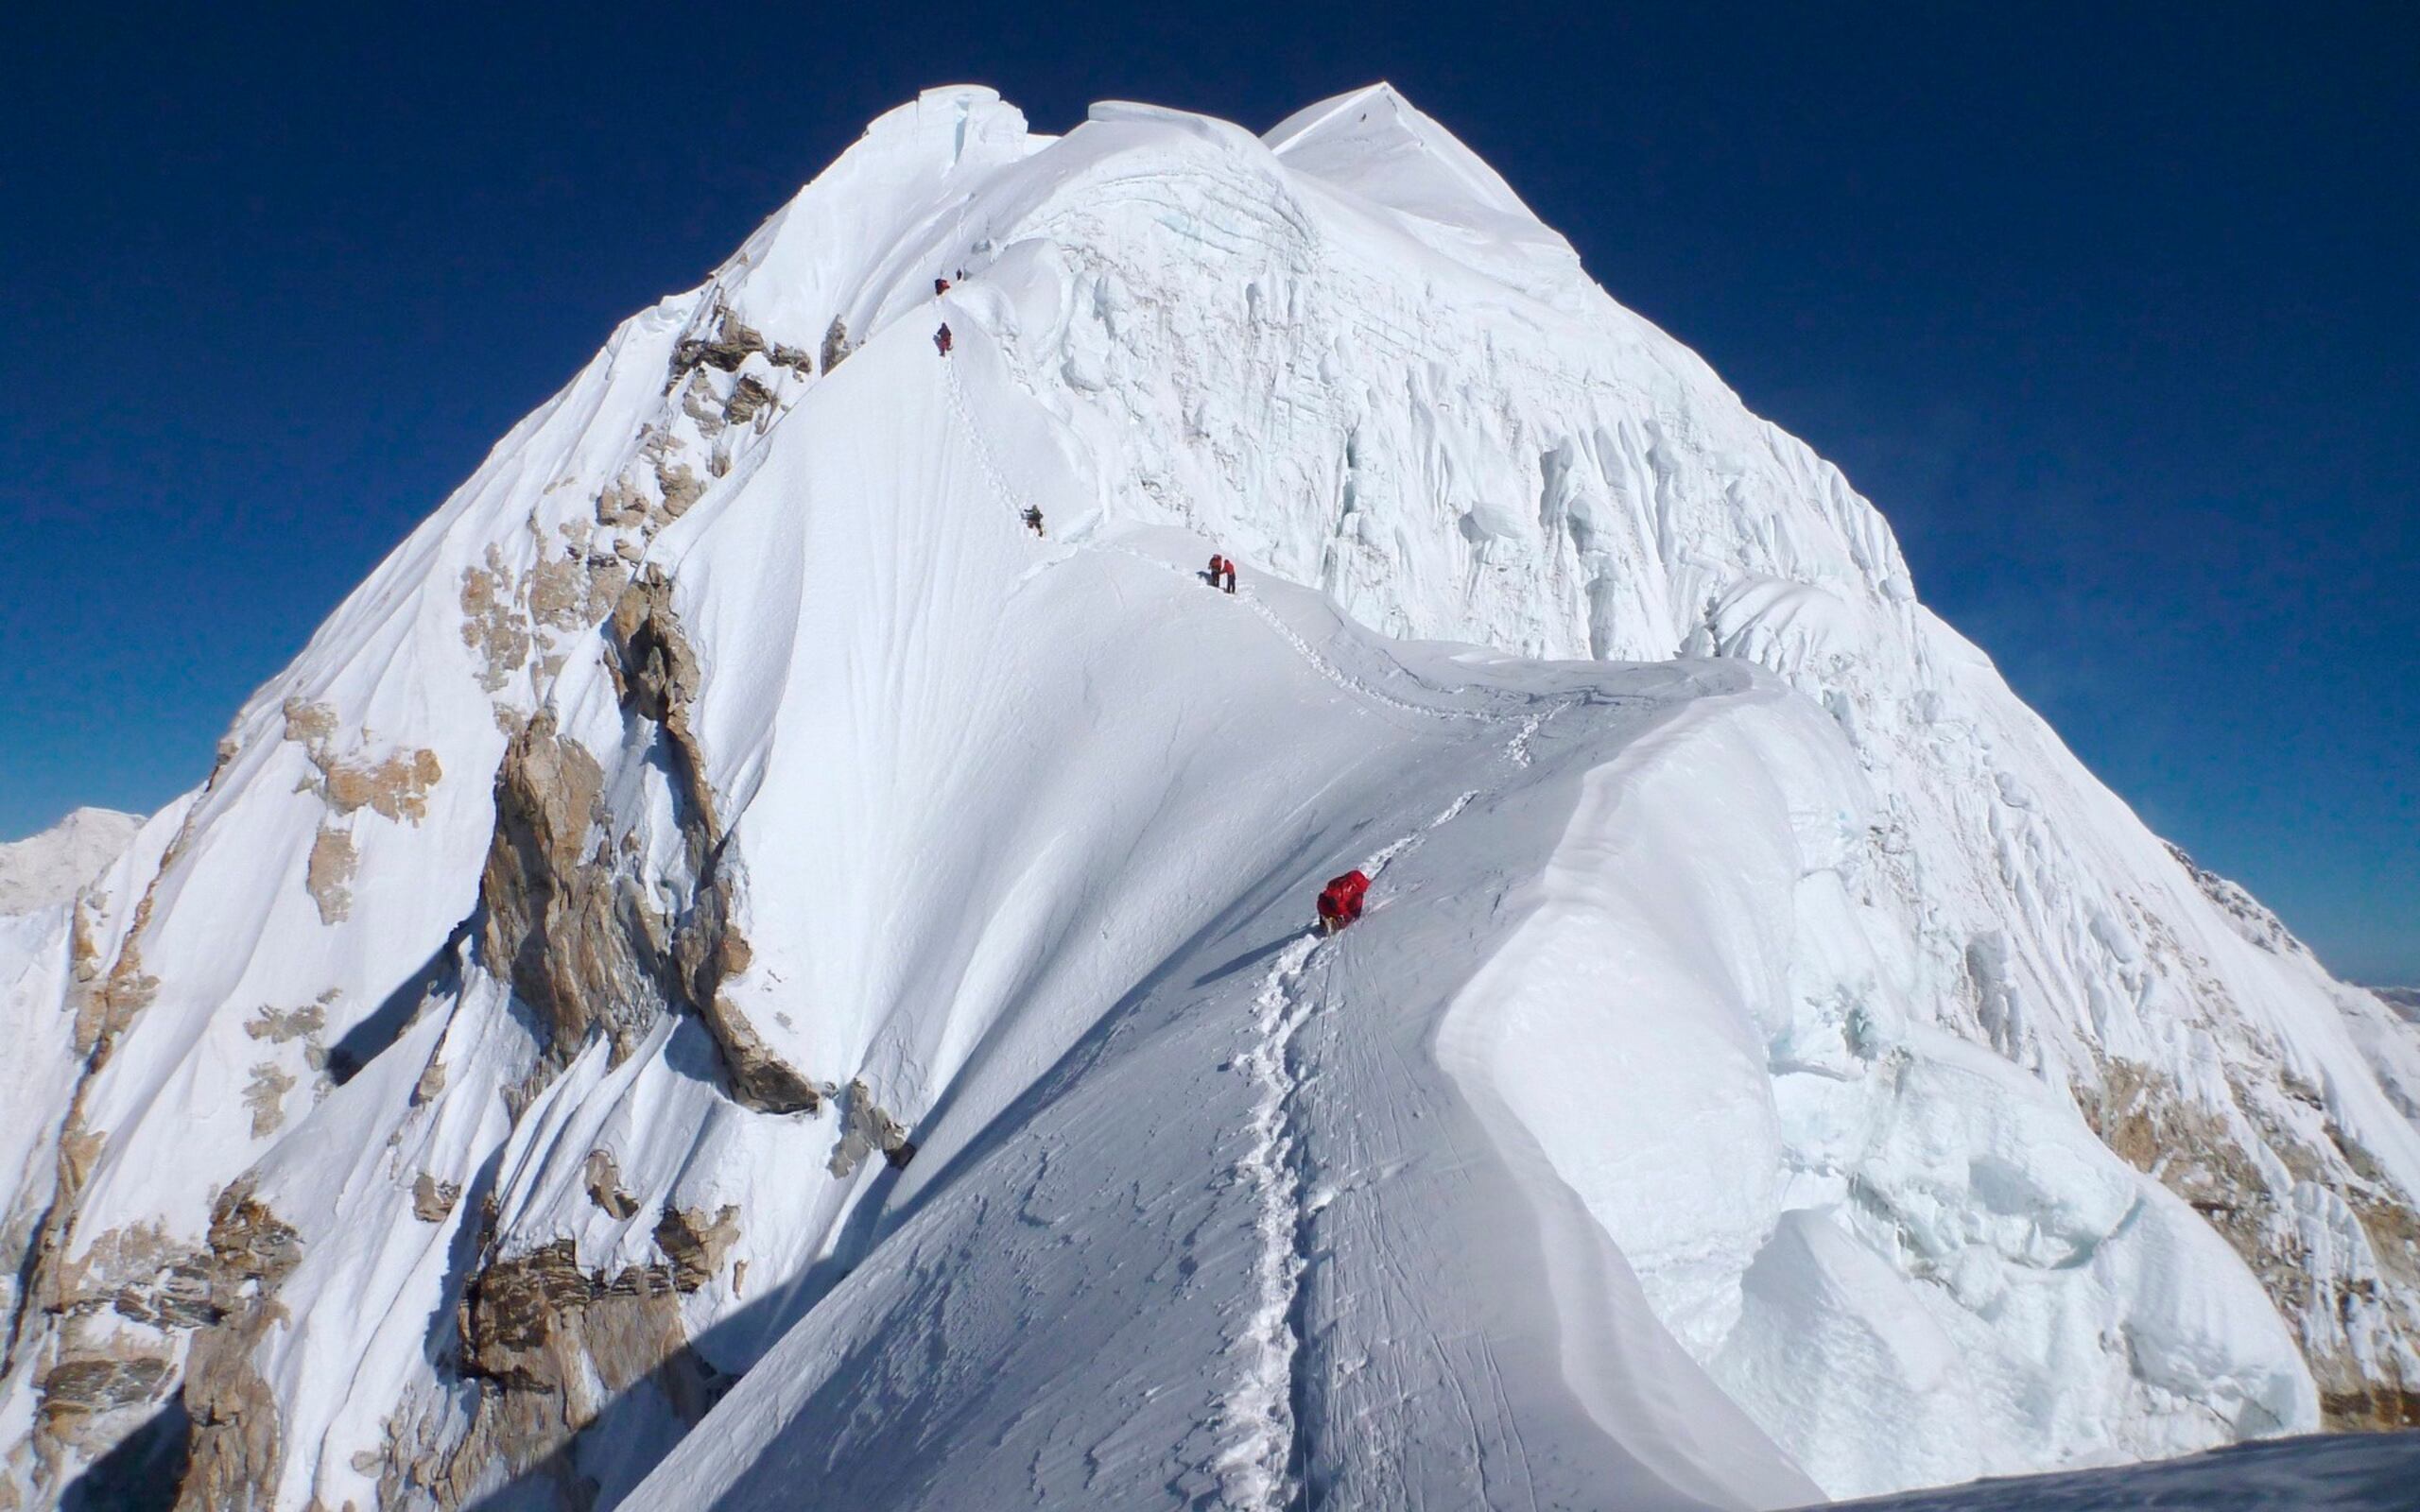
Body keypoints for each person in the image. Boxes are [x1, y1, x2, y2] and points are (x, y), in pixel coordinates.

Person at [1316, 869, 1370, 934]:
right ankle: (1331, 921)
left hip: (1327, 906)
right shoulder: (1343, 890)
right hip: (1329, 908)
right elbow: (1338, 904)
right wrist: (1347, 915)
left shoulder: (1351, 890)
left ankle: (1331, 920)